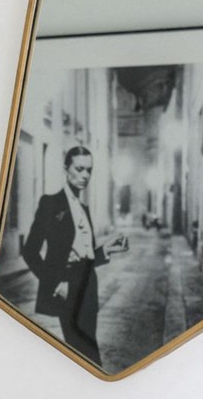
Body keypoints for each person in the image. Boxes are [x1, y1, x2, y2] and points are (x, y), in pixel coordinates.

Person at [21, 146, 127, 367]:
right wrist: (55, 283)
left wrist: (105, 250)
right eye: (79, 169)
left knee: (88, 348)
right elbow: (30, 251)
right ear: (66, 169)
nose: (85, 175)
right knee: (81, 353)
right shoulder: (51, 204)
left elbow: (84, 258)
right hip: (67, 288)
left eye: (89, 170)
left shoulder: (83, 208)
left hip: (89, 285)